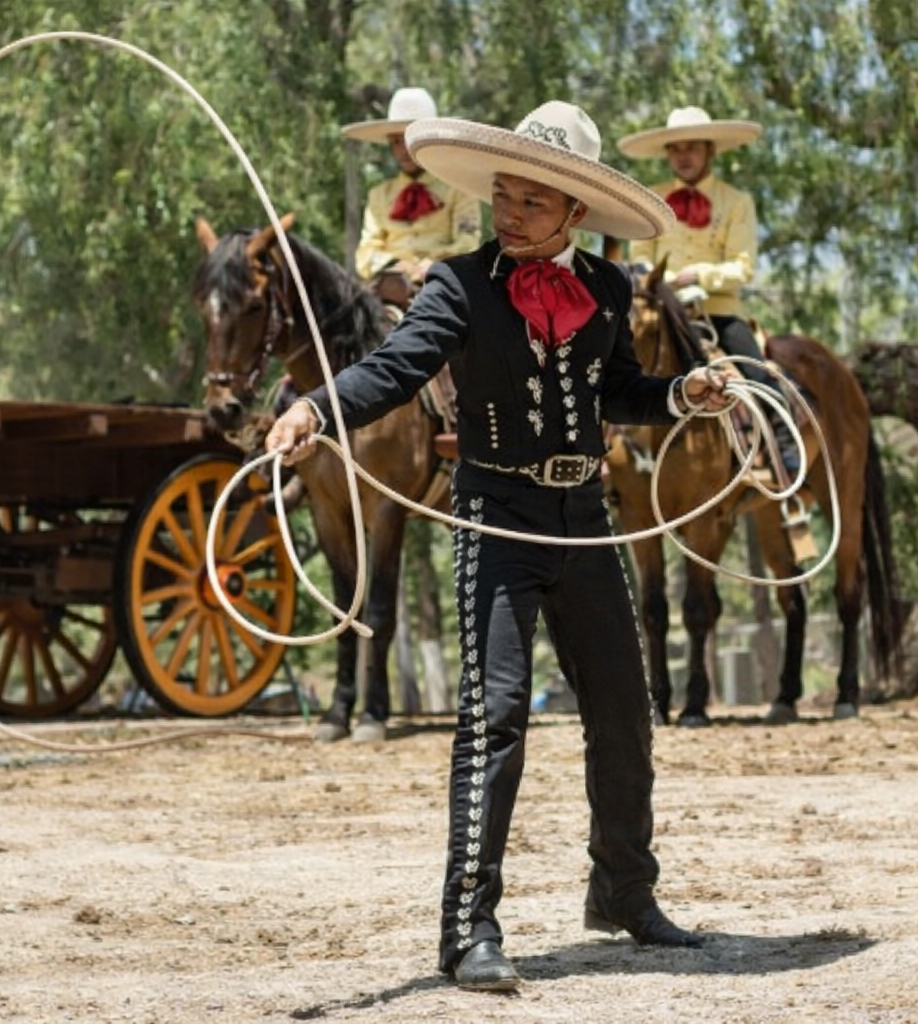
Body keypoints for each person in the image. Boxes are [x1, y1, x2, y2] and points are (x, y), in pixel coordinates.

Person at [267, 100, 729, 992]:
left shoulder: (606, 288)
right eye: (501, 197)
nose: (508, 214)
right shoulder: (458, 284)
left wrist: (681, 395)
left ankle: (625, 893)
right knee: (496, 716)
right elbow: (395, 369)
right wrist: (316, 409)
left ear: (574, 214)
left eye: (530, 202)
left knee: (626, 710)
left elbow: (616, 388)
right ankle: (468, 928)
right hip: (496, 520)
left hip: (586, 516)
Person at [617, 106, 797, 468]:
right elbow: (639, 256)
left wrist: (699, 275)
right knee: (615, 356)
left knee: (754, 368)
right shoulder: (651, 198)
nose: (683, 157)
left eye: (692, 148)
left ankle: (783, 443)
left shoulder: (736, 202)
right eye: (676, 149)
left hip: (717, 310)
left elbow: (742, 267)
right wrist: (658, 281)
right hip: (662, 306)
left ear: (710, 150)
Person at [342, 86, 482, 302]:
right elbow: (366, 254)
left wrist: (431, 265)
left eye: (410, 139)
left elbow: (468, 244)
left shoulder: (459, 189)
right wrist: (396, 265)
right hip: (388, 290)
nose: (402, 150)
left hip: (443, 285)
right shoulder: (379, 195)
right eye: (396, 141)